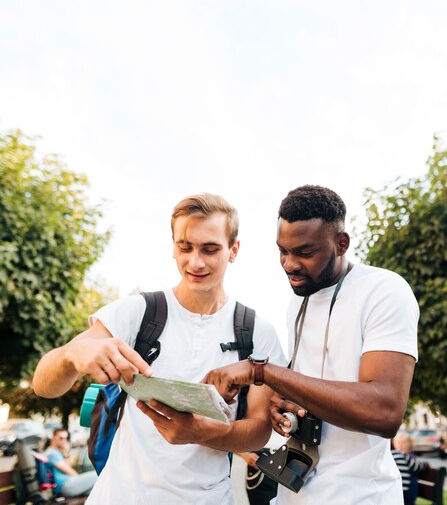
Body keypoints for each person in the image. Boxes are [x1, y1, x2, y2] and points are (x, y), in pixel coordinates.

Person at [33, 193, 286, 505]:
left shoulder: (258, 333)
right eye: (185, 247)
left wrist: (205, 433)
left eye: (210, 249)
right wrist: (73, 357)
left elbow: (260, 430)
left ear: (233, 250)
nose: (195, 262)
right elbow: (43, 384)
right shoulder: (137, 312)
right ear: (174, 246)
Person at [204, 185, 419, 505]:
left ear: (341, 243)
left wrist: (263, 373)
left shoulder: (384, 290)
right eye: (282, 251)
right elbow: (310, 386)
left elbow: (385, 411)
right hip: (295, 493)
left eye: (305, 252)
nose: (289, 264)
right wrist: (282, 401)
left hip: (361, 496)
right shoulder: (299, 303)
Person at [45, 428, 96, 498]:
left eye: (65, 438)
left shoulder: (57, 452)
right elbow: (69, 471)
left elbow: (69, 466)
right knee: (98, 475)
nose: (64, 441)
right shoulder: (51, 453)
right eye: (61, 438)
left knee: (96, 490)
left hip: (68, 483)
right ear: (53, 438)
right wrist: (80, 479)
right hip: (64, 485)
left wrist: (65, 453)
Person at [391, 431, 429, 505]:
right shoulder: (404, 456)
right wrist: (426, 465)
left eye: (403, 443)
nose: (401, 445)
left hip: (397, 490)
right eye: (399, 443)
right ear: (395, 444)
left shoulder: (392, 454)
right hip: (404, 491)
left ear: (409, 444)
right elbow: (417, 466)